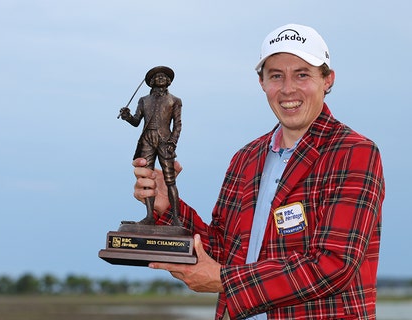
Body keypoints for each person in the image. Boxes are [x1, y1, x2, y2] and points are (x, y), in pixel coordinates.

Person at [132, 23, 385, 319]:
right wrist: (166, 206)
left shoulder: (354, 152)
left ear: (327, 80)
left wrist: (224, 280)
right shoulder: (246, 158)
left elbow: (334, 264)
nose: (288, 88)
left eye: (302, 74)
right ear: (262, 82)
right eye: (276, 75)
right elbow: (224, 251)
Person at [120, 66, 183, 225]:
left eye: (164, 76)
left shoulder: (174, 100)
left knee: (170, 180)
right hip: (147, 139)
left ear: (168, 81)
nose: (161, 78)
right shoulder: (143, 100)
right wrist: (127, 117)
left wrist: (173, 142)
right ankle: (149, 216)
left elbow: (178, 125)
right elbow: (136, 121)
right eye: (157, 76)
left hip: (165, 141)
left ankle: (176, 218)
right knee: (146, 177)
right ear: (151, 82)